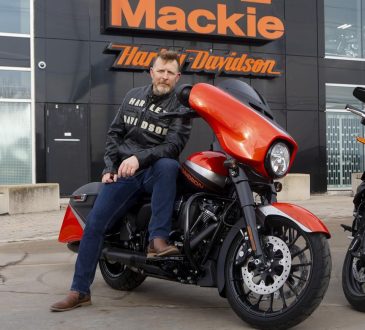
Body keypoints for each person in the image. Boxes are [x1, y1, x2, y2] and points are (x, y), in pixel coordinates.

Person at [50, 50, 191, 312]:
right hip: (123, 175)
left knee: (169, 165)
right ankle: (79, 291)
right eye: (160, 70)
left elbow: (173, 146)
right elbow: (114, 134)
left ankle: (157, 239)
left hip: (150, 173)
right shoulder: (132, 97)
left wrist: (139, 159)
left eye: (170, 73)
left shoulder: (181, 110)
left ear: (178, 77)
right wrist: (110, 167)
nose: (165, 76)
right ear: (151, 72)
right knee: (94, 225)